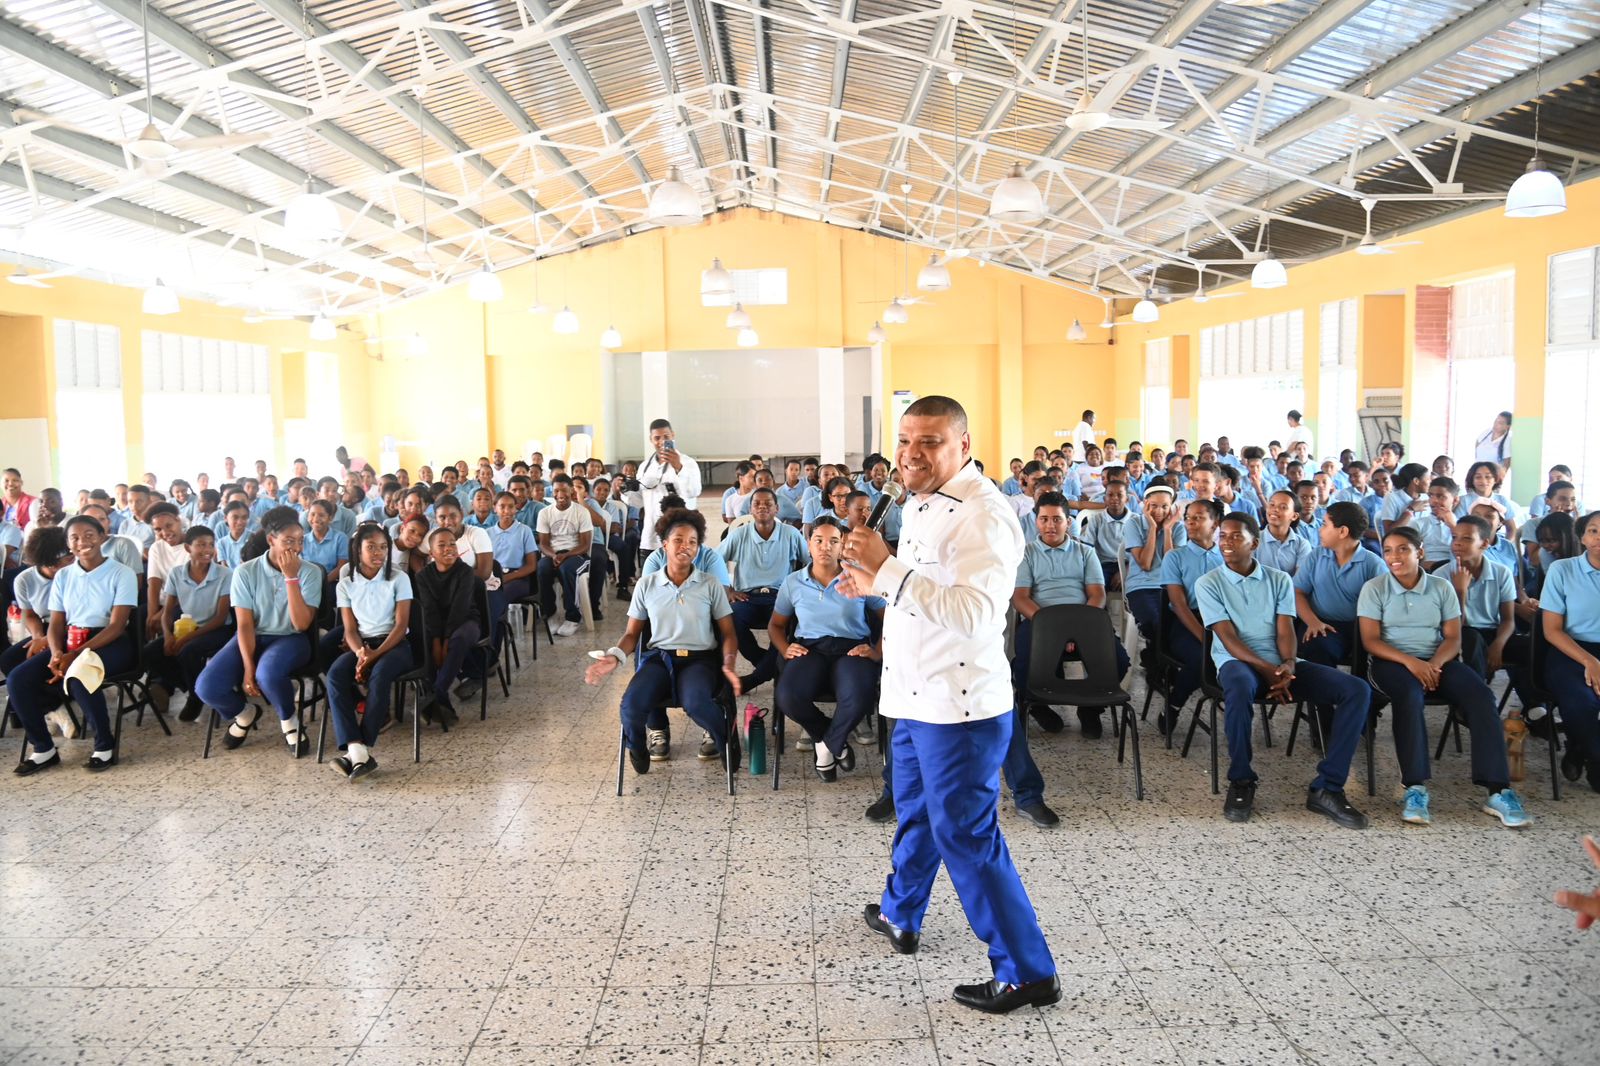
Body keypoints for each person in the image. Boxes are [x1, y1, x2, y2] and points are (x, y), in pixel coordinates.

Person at [838, 395, 1058, 1015]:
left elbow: (976, 613)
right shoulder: (917, 500)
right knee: (914, 812)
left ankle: (1028, 971)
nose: (911, 454)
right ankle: (901, 912)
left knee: (966, 836)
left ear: (963, 445)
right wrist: (872, 581)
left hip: (958, 709)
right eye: (905, 440)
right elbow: (923, 591)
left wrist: (887, 571)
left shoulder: (984, 515)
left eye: (929, 442)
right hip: (913, 693)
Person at [1194, 513, 1372, 827]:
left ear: (1254, 543)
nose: (1226, 542)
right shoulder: (1208, 582)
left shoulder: (1278, 579)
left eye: (1236, 536)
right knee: (1238, 685)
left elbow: (1285, 630)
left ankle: (1328, 787)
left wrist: (1288, 664)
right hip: (1237, 662)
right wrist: (1267, 669)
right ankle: (1241, 780)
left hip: (1281, 665)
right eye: (1222, 536)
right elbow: (1228, 638)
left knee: (1356, 690)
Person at [1358, 526, 1531, 828]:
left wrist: (1434, 664)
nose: (1394, 556)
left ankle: (1498, 790)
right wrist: (1413, 663)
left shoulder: (1441, 587)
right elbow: (1371, 641)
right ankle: (1414, 787)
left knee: (1481, 695)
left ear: (1420, 552)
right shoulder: (1374, 588)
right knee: (1409, 695)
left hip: (1437, 660)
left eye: (1403, 549)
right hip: (1391, 662)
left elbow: (1453, 637)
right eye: (1388, 550)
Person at [584, 508, 741, 774]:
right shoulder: (646, 585)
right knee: (631, 706)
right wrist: (615, 656)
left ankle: (726, 737)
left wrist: (728, 663)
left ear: (698, 548)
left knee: (697, 703)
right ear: (665, 545)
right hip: (659, 659)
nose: (685, 546)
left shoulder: (710, 584)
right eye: (678, 540)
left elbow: (728, 632)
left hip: (699, 660)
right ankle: (637, 747)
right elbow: (632, 634)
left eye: (692, 542)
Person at [10, 515, 139, 775]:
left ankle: (104, 746)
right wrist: (57, 652)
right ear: (68, 544)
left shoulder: (121, 573)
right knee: (17, 679)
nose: (82, 542)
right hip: (71, 640)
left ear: (102, 536)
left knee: (79, 675)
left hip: (110, 641)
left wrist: (76, 655)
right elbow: (57, 622)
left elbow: (117, 625)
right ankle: (43, 748)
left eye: (89, 535)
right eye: (75, 538)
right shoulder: (64, 576)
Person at [194, 507, 325, 758]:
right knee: (207, 687)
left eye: (300, 541)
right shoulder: (245, 572)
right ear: (271, 540)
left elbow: (301, 624)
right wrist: (247, 667)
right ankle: (245, 714)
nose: (296, 548)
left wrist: (291, 578)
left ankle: (289, 721)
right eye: (289, 541)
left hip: (291, 638)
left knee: (268, 675)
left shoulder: (310, 572)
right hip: (253, 635)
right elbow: (244, 625)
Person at [767, 517, 882, 781]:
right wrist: (785, 648)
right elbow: (775, 625)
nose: (825, 547)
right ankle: (831, 739)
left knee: (859, 697)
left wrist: (877, 651)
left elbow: (890, 618)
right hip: (810, 649)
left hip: (852, 649)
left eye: (833, 541)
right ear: (809, 544)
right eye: (818, 540)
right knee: (788, 696)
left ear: (842, 546)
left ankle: (826, 747)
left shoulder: (859, 576)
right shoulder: (793, 582)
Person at [1012, 492, 1130, 747]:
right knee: (1024, 663)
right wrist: (1053, 629)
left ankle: (1090, 709)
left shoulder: (1085, 552)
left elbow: (1097, 595)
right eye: (1044, 519)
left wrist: (1076, 628)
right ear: (1036, 521)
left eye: (1057, 519)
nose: (1050, 525)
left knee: (1119, 660)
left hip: (1084, 620)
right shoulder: (1026, 554)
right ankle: (1037, 705)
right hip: (1040, 620)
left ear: (1068, 522)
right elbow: (1020, 597)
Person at [326, 524, 414, 780]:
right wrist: (360, 655)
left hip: (395, 644)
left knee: (380, 674)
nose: (378, 553)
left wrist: (374, 656)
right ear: (358, 550)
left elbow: (401, 625)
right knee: (335, 675)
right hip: (363, 645)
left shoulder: (399, 578)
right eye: (371, 547)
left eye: (383, 547)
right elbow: (349, 629)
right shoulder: (346, 584)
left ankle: (360, 748)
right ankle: (357, 749)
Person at [719, 488, 809, 691]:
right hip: (747, 597)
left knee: (789, 625)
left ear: (777, 509)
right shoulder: (739, 535)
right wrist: (728, 590)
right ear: (750, 509)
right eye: (757, 504)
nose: (762, 507)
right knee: (730, 620)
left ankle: (754, 678)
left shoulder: (791, 534)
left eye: (768, 503)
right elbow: (713, 562)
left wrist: (800, 590)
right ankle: (769, 667)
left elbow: (809, 563)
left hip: (781, 597)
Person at [146, 525, 233, 723]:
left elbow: (220, 617)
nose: (207, 550)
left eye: (210, 544)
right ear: (188, 548)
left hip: (218, 629)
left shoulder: (224, 574)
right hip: (188, 627)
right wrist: (168, 635)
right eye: (201, 545)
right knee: (151, 652)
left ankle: (195, 697)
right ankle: (193, 688)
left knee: (188, 651)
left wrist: (185, 639)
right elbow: (167, 612)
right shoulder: (177, 573)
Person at [1541, 511, 1600, 793]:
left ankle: (1578, 746)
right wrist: (1590, 661)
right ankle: (1597, 759)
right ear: (1582, 538)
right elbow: (1551, 630)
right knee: (1582, 701)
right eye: (1593, 531)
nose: (1599, 538)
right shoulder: (1562, 570)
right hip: (1570, 648)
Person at [1160, 499, 1225, 735]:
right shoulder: (1175, 557)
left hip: (1222, 622)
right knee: (1202, 656)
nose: (1190, 522)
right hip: (1187, 622)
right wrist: (1206, 639)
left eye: (1199, 518)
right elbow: (1179, 605)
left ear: (1215, 524)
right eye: (1188, 518)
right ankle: (1175, 703)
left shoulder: (1226, 557)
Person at [412, 527, 484, 726]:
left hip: (466, 621)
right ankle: (439, 701)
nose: (449, 548)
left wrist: (445, 641)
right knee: (422, 639)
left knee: (459, 639)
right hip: (437, 625)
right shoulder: (423, 576)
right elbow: (429, 610)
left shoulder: (465, 571)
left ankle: (437, 692)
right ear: (431, 553)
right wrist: (437, 640)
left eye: (452, 544)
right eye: (442, 545)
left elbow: (460, 609)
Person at [626, 418, 703, 554]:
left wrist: (678, 467)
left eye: (666, 437)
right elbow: (638, 502)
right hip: (651, 537)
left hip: (680, 537)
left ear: (673, 435)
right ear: (651, 439)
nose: (661, 441)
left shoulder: (688, 463)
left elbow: (693, 491)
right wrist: (625, 490)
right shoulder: (645, 467)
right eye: (657, 438)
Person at [536, 478, 593, 637]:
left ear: (571, 491)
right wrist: (554, 555)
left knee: (567, 569)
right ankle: (550, 614)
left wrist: (566, 555)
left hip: (577, 554)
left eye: (564, 490)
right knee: (542, 568)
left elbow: (585, 545)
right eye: (556, 491)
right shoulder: (544, 513)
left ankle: (573, 617)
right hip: (553, 553)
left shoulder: (581, 512)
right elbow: (543, 544)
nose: (560, 494)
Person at [1258, 490, 1310, 575]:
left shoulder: (1302, 545)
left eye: (1283, 507)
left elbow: (1300, 579)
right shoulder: (1254, 540)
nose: (1275, 509)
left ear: (1294, 516)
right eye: (1272, 504)